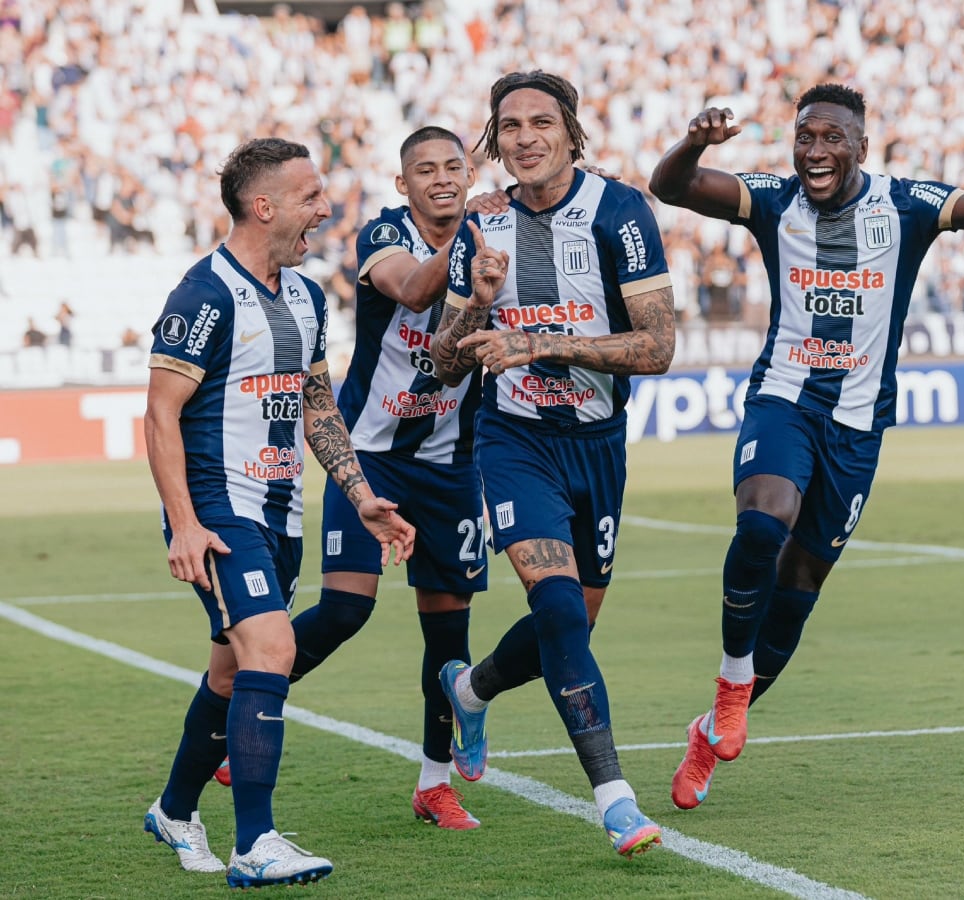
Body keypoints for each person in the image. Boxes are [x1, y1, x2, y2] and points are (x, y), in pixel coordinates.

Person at [647, 84, 964, 811]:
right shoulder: (771, 200)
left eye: (832, 139)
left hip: (858, 424)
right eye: (805, 137)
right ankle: (730, 684)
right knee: (762, 523)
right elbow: (673, 187)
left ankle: (710, 733)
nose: (816, 152)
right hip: (785, 397)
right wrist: (695, 140)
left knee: (799, 590)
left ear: (861, 147)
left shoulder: (906, 204)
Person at [142, 137, 415, 888]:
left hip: (281, 514)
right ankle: (255, 842)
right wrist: (186, 523)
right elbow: (160, 414)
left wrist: (361, 497)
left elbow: (316, 403)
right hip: (219, 511)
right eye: (311, 198)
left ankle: (172, 811)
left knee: (231, 678)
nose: (325, 211)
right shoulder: (204, 295)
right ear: (264, 207)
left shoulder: (304, 295)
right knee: (272, 652)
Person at [430, 70, 675, 857]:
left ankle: (469, 690)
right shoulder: (480, 222)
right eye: (509, 126)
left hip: (598, 447)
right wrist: (475, 301)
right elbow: (441, 365)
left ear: (572, 133)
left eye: (542, 123)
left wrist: (538, 340)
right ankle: (616, 801)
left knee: (569, 622)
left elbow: (659, 346)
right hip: (514, 441)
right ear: (493, 141)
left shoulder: (622, 211)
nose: (525, 137)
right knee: (564, 616)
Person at [293, 125, 489, 830]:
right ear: (402, 184)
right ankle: (248, 698)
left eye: (453, 167)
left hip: (450, 466)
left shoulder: (494, 233)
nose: (441, 178)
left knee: (448, 641)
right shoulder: (382, 235)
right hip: (369, 453)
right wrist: (467, 235)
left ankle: (434, 786)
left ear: (468, 174)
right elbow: (410, 291)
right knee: (346, 610)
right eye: (425, 170)